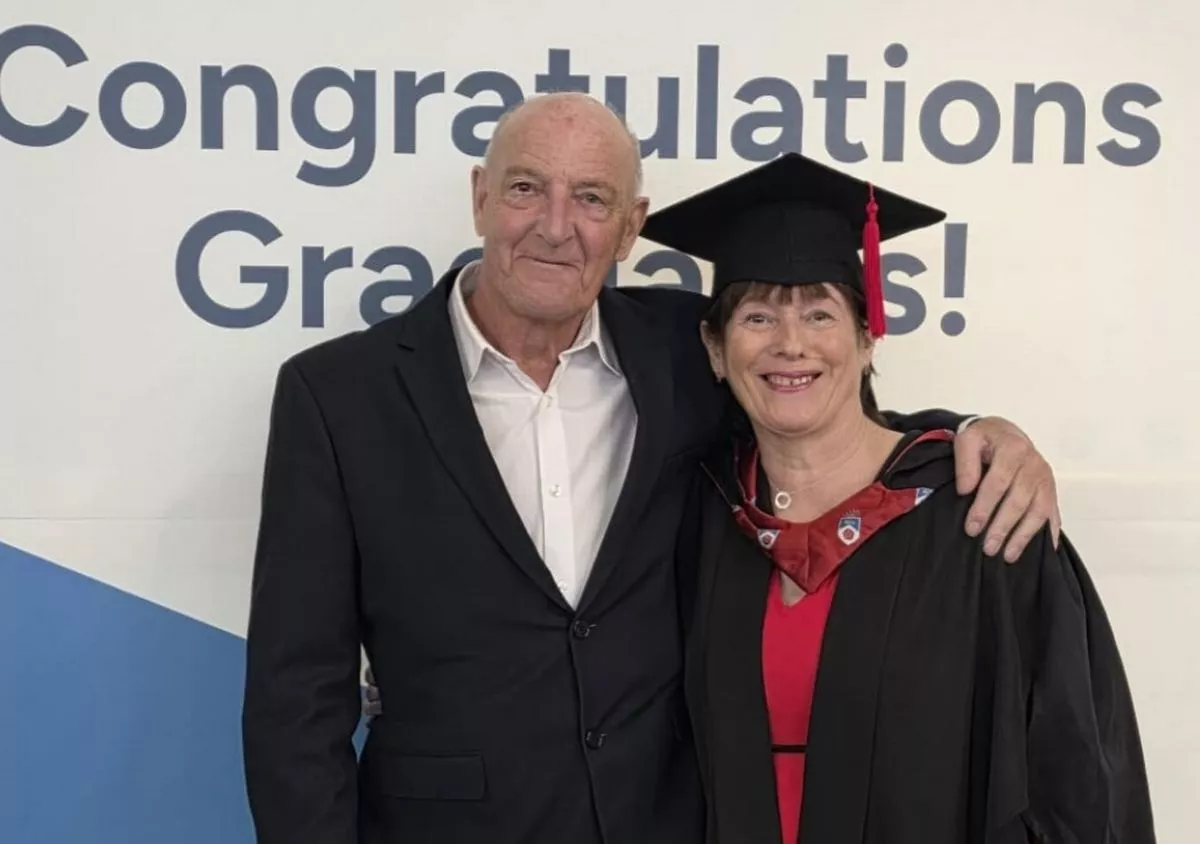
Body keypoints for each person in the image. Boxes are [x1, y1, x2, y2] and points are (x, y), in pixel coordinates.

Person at [240, 92, 1062, 844]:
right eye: (526, 188)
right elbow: (296, 698)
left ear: (631, 227)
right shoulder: (338, 397)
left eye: (591, 199)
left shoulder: (680, 351)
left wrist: (970, 433)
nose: (556, 226)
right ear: (481, 196)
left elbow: (810, 402)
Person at [633, 151, 1156, 843]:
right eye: (757, 317)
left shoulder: (984, 520)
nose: (790, 344)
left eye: (820, 314)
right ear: (715, 349)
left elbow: (1074, 779)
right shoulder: (698, 517)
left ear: (867, 336)